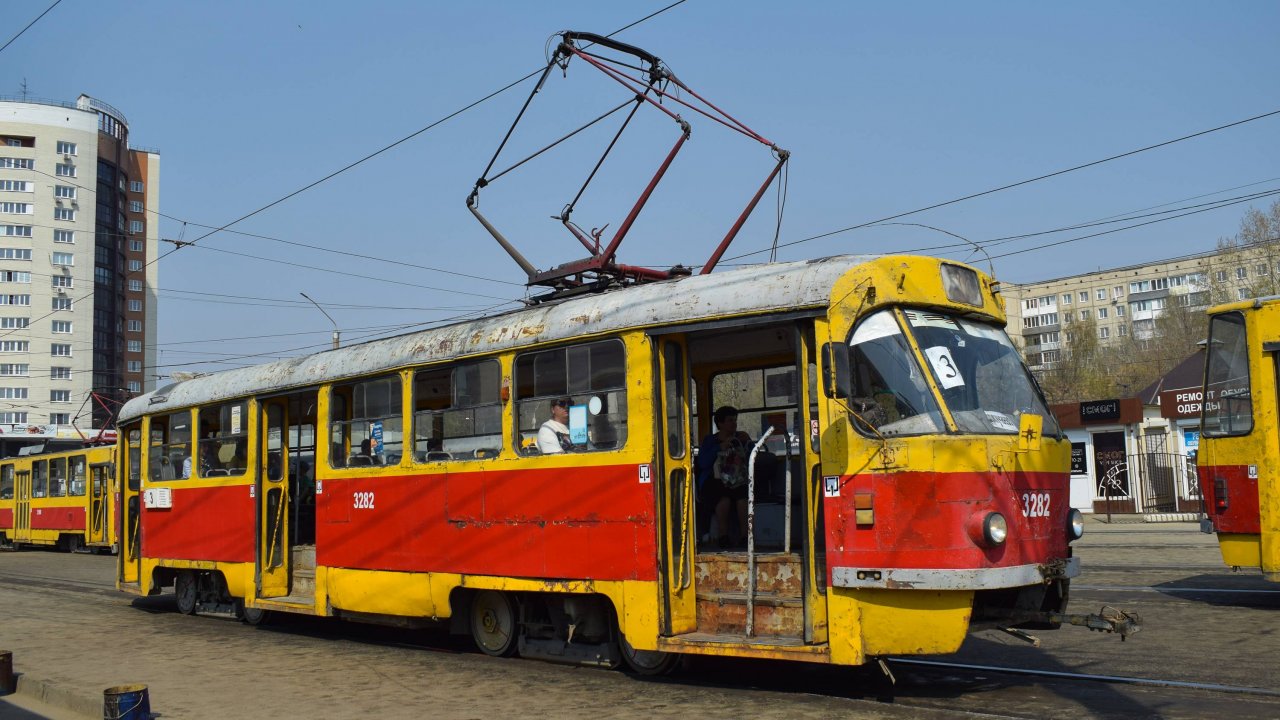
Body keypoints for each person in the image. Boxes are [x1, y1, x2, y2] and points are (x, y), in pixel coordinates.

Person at [695, 406, 754, 549]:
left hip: (737, 478)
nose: (734, 423)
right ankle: (723, 536)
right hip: (714, 479)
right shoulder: (710, 440)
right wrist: (719, 447)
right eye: (730, 420)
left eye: (735, 420)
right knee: (723, 495)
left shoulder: (741, 438)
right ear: (720, 423)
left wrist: (749, 443)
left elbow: (752, 457)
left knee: (742, 495)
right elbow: (702, 463)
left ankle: (745, 537)